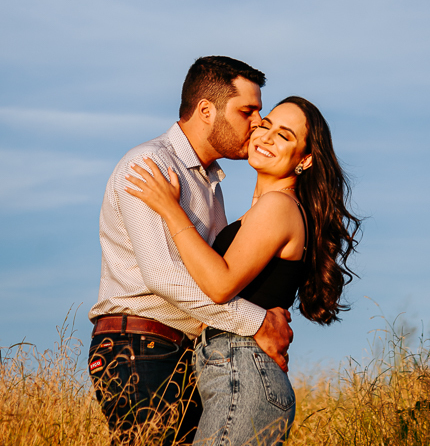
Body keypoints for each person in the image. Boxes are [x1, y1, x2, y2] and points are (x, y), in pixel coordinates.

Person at [125, 95, 360, 446]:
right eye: (265, 126)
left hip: (244, 371)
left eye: (284, 135)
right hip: (231, 371)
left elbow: (219, 285)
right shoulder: (255, 214)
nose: (266, 136)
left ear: (305, 159)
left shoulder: (278, 207)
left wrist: (170, 210)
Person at [88, 56, 294, 446]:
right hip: (141, 349)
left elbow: (216, 275)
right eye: (247, 111)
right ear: (206, 110)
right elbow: (163, 277)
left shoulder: (209, 182)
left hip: (185, 355)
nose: (257, 124)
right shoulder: (149, 165)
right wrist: (257, 322)